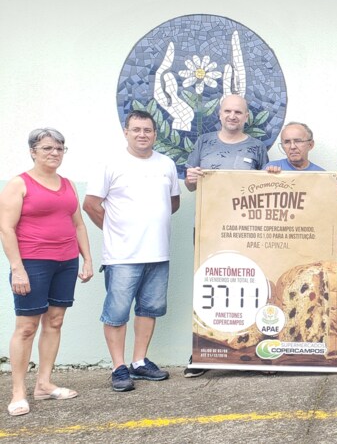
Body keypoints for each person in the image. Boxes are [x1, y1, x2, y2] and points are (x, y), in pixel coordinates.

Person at [83, 111, 181, 392]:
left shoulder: (167, 164)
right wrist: (115, 230)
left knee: (149, 310)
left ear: (155, 134)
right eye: (136, 129)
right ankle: (118, 367)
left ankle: (139, 362)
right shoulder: (110, 164)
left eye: (147, 130)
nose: (142, 134)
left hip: (158, 253)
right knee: (116, 313)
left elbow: (173, 202)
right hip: (123, 256)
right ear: (126, 132)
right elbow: (90, 204)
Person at [1, 128, 93, 417]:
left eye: (60, 148)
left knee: (54, 321)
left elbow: (78, 224)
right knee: (27, 327)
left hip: (66, 262)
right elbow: (6, 228)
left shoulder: (67, 184)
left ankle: (44, 384)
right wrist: (18, 268)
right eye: (47, 148)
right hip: (32, 263)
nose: (54, 153)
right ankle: (18, 392)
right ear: (33, 151)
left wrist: (87, 259)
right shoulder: (19, 184)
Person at [182, 94, 269, 377]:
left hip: (247, 229)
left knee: (249, 286)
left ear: (246, 117)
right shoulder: (204, 143)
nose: (232, 116)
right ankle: (203, 353)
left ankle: (250, 350)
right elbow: (190, 185)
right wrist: (191, 179)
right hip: (209, 228)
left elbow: (266, 188)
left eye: (238, 112)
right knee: (210, 286)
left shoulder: (257, 147)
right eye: (228, 111)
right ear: (219, 114)